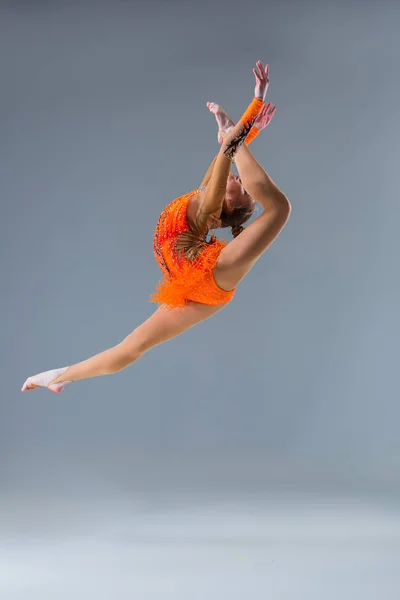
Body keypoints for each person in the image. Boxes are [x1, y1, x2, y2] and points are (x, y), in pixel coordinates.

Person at [21, 60, 291, 394]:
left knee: (280, 208)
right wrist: (248, 120)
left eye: (245, 190)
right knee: (131, 347)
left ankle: (61, 377)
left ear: (229, 207)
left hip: (208, 275)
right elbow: (225, 153)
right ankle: (59, 376)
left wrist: (243, 119)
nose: (241, 180)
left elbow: (227, 153)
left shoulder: (209, 206)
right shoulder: (206, 192)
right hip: (189, 279)